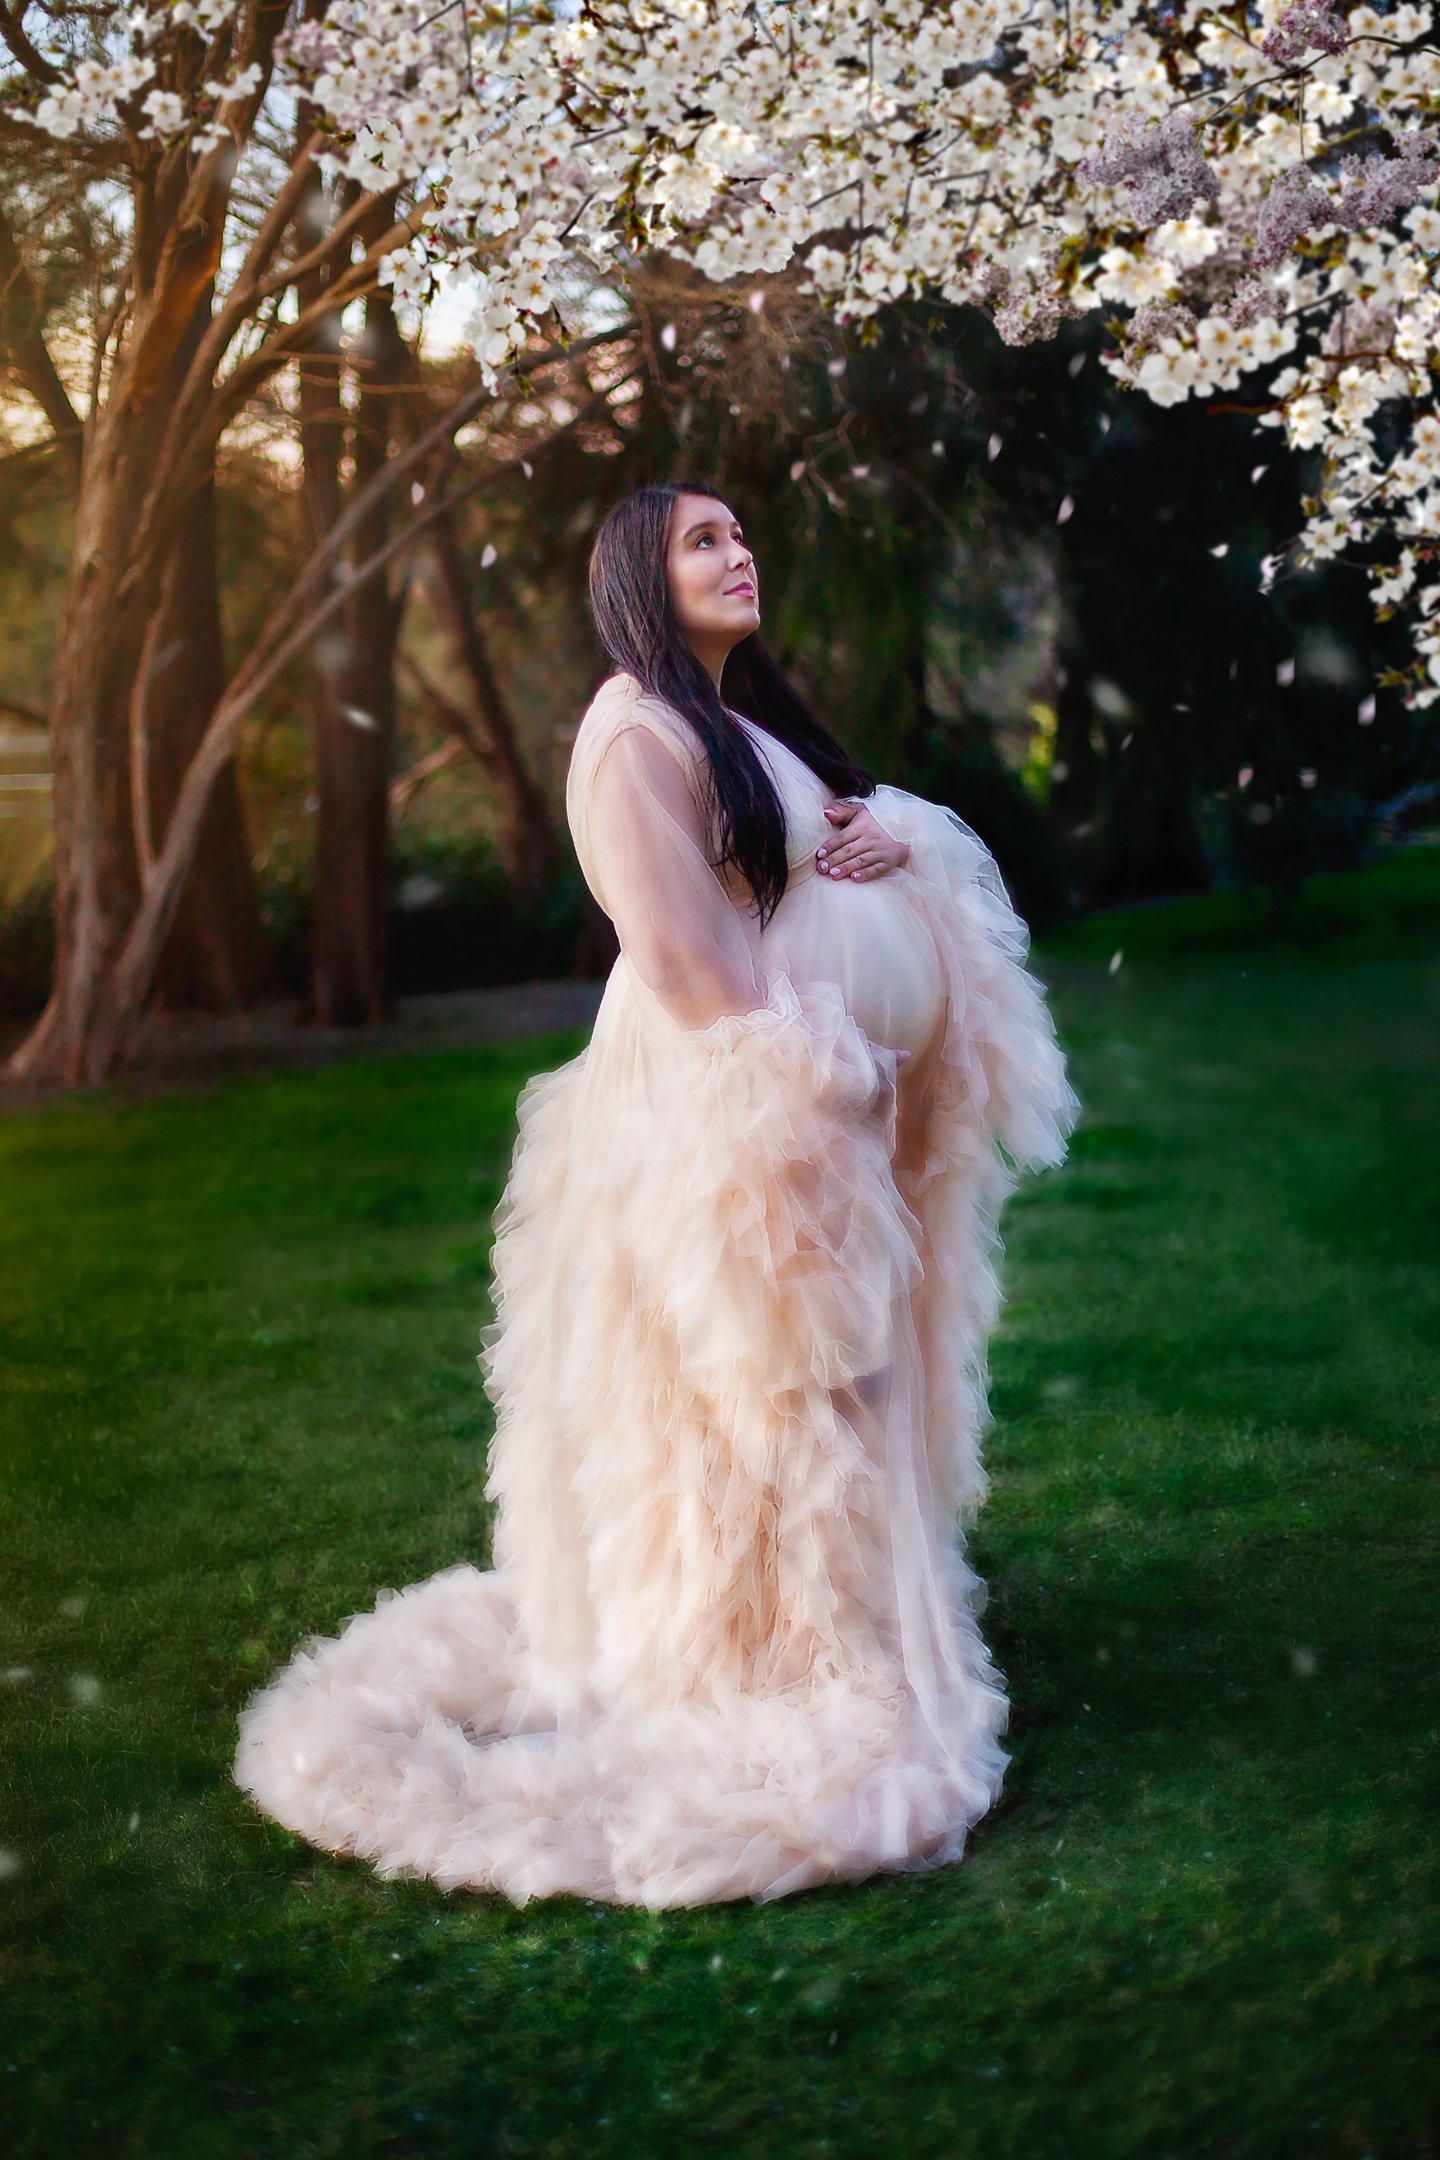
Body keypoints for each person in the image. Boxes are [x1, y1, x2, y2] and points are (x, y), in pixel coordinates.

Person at [233, 477, 1080, 1910]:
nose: (738, 553)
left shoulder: (741, 722)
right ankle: (794, 1664)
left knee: (843, 1387)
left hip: (820, 1119)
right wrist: (829, 1089)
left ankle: (849, 1633)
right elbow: (693, 966)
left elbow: (804, 872)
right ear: (637, 570)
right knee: (782, 1389)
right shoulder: (631, 732)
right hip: (741, 1125)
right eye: (704, 538)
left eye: (743, 535)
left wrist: (884, 841)